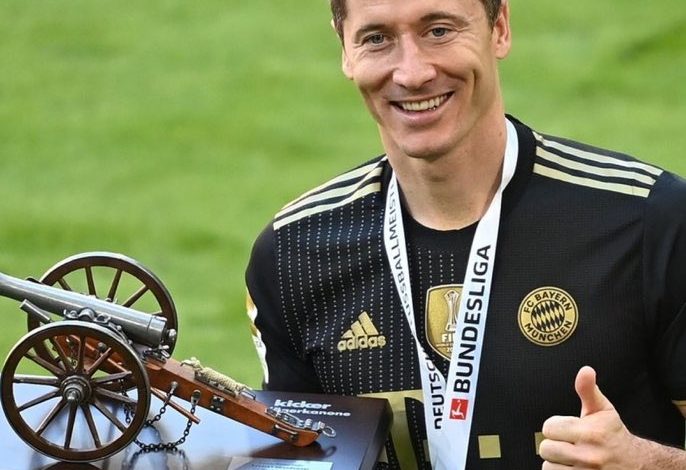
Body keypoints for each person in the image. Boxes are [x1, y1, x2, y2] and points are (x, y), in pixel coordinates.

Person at [245, 0, 686, 468]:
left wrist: (645, 463)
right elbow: (297, 459)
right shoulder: (293, 255)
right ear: (346, 52)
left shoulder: (647, 223)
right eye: (377, 39)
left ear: (500, 28)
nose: (412, 73)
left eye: (438, 30)